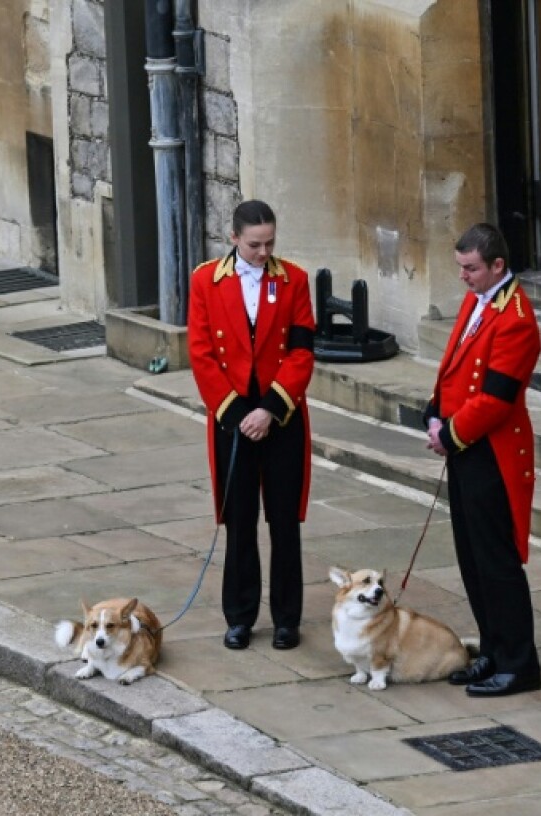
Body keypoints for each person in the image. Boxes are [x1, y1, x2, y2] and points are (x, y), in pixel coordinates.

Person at [187, 200, 316, 651]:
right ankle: (240, 616)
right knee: (239, 520)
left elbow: (302, 352)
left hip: (280, 415)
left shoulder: (294, 280)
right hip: (233, 419)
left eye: (270, 243)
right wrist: (239, 415)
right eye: (255, 244)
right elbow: (201, 354)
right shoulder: (205, 280)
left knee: (284, 521)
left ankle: (286, 618)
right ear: (234, 238)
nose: (264, 252)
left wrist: (270, 410)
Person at [424, 223, 541, 697]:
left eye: (471, 268)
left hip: (491, 453)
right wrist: (435, 413)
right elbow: (453, 366)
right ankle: (493, 650)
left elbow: (495, 399)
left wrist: (448, 435)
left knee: (496, 562)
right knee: (472, 559)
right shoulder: (479, 300)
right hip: (465, 447)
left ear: (497, 265)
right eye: (460, 268)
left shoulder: (515, 317)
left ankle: (519, 663)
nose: (463, 278)